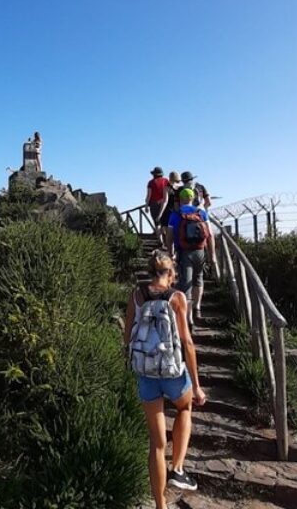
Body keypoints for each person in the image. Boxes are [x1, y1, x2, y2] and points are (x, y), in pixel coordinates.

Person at [124, 250, 206, 508]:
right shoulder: (177, 297)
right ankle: (178, 469)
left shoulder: (137, 296)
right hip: (172, 371)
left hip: (146, 374)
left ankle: (161, 506)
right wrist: (197, 385)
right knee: (184, 407)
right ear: (170, 273)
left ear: (151, 271)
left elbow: (127, 338)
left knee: (157, 444)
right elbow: (187, 342)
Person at [167, 189, 213, 331]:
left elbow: (169, 237)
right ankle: (197, 307)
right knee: (198, 279)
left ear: (179, 200)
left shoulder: (175, 215)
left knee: (185, 284)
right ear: (193, 198)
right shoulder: (201, 213)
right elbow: (210, 235)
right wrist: (212, 257)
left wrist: (171, 254)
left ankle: (188, 319)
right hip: (200, 251)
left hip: (184, 252)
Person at [145, 167, 170, 239]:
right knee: (164, 222)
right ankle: (166, 239)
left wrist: (146, 206)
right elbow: (167, 194)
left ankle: (160, 241)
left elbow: (148, 195)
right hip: (164, 204)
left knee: (157, 223)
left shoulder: (151, 182)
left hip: (154, 204)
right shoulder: (166, 181)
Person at [159, 172, 181, 246]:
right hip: (178, 211)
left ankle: (168, 246)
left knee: (165, 230)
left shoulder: (167, 188)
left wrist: (160, 214)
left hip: (168, 211)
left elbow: (165, 201)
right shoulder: (180, 188)